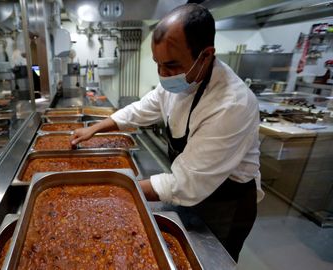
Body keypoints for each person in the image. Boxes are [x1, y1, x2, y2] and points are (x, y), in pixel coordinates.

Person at [71, 3, 263, 262]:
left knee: (209, 262)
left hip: (224, 204)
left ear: (205, 55)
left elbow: (185, 183)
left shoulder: (231, 104)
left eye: (171, 66)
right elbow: (141, 109)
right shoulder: (180, 83)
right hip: (191, 190)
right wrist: (93, 129)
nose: (163, 75)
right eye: (157, 65)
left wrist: (116, 188)